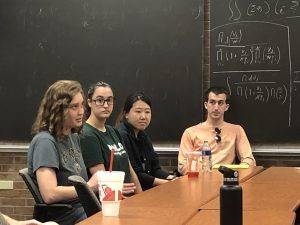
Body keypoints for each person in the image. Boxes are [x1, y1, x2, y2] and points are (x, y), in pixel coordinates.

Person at [27, 80, 99, 225]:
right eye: (74, 107)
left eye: (81, 105)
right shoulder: (45, 142)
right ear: (57, 110)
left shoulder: (74, 136)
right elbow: (50, 194)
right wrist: (89, 187)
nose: (81, 111)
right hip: (67, 215)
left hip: (83, 208)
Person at [80, 81, 143, 195]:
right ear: (89, 102)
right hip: (110, 202)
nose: (105, 105)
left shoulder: (113, 131)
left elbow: (130, 170)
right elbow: (103, 183)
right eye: (99, 100)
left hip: (129, 199)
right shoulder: (87, 134)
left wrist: (141, 198)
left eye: (109, 100)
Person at [178, 86, 256, 175]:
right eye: (212, 102)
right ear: (206, 105)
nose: (216, 107)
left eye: (220, 103)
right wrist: (206, 173)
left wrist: (234, 173)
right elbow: (182, 165)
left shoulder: (237, 130)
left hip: (227, 180)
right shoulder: (190, 132)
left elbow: (249, 160)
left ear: (226, 107)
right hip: (201, 181)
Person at [116, 92, 175, 191]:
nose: (143, 116)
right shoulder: (122, 135)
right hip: (130, 193)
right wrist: (167, 183)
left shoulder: (142, 135)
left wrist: (172, 178)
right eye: (138, 111)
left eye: (147, 112)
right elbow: (136, 174)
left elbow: (154, 168)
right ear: (126, 114)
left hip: (146, 189)